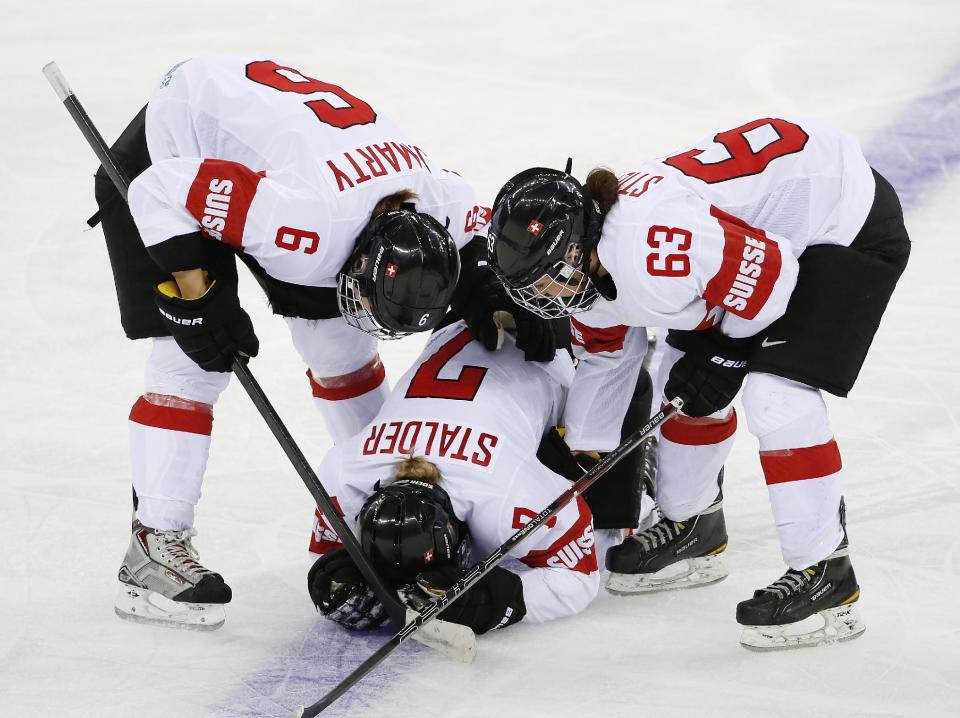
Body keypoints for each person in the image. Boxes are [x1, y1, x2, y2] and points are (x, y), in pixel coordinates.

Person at [97, 55, 556, 630]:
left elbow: (479, 259)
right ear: (358, 261)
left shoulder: (448, 204)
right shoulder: (303, 227)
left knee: (341, 353)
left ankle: (381, 496)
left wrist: (495, 291)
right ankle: (153, 548)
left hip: (287, 174)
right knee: (192, 363)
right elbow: (158, 190)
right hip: (170, 157)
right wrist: (199, 298)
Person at [485, 116, 910, 649]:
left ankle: (826, 573)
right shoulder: (592, 271)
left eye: (547, 275)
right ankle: (692, 526)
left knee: (776, 396)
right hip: (763, 242)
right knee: (678, 384)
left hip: (841, 221)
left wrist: (729, 354)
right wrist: (577, 460)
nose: (543, 294)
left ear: (577, 247)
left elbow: (773, 274)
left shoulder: (652, 245)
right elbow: (608, 360)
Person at [306, 318, 621, 634]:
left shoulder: (509, 496)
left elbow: (580, 578)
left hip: (552, 345)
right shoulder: (343, 475)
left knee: (591, 443)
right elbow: (329, 560)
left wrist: (494, 599)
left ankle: (640, 484)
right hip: (459, 322)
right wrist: (342, 578)